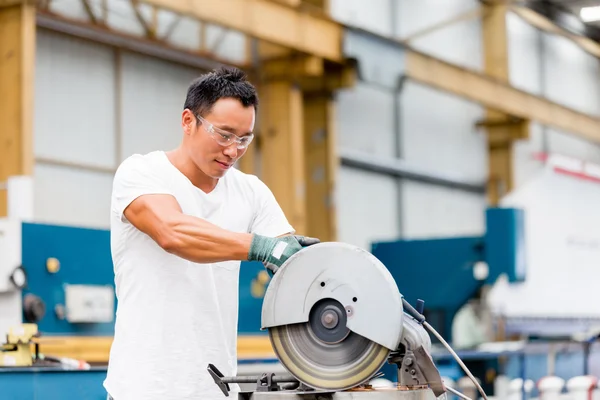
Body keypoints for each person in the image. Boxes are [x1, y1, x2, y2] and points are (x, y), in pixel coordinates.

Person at [103, 66, 319, 400]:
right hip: (144, 387)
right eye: (223, 134)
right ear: (188, 121)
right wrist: (262, 247)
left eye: (244, 139)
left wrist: (306, 266)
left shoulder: (251, 191)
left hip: (216, 390)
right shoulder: (141, 173)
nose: (233, 150)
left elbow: (287, 257)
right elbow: (172, 231)